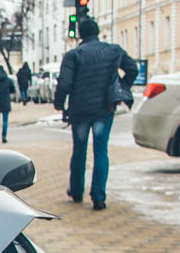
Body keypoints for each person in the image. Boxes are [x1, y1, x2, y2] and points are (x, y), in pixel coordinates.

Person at [54, 17, 138, 211]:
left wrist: (59, 104)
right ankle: (98, 197)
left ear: (81, 35)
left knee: (79, 151)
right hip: (103, 109)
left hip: (80, 110)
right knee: (101, 151)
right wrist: (121, 87)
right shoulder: (113, 51)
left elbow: (65, 83)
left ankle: (76, 191)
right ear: (97, 32)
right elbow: (132, 69)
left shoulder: (74, 55)